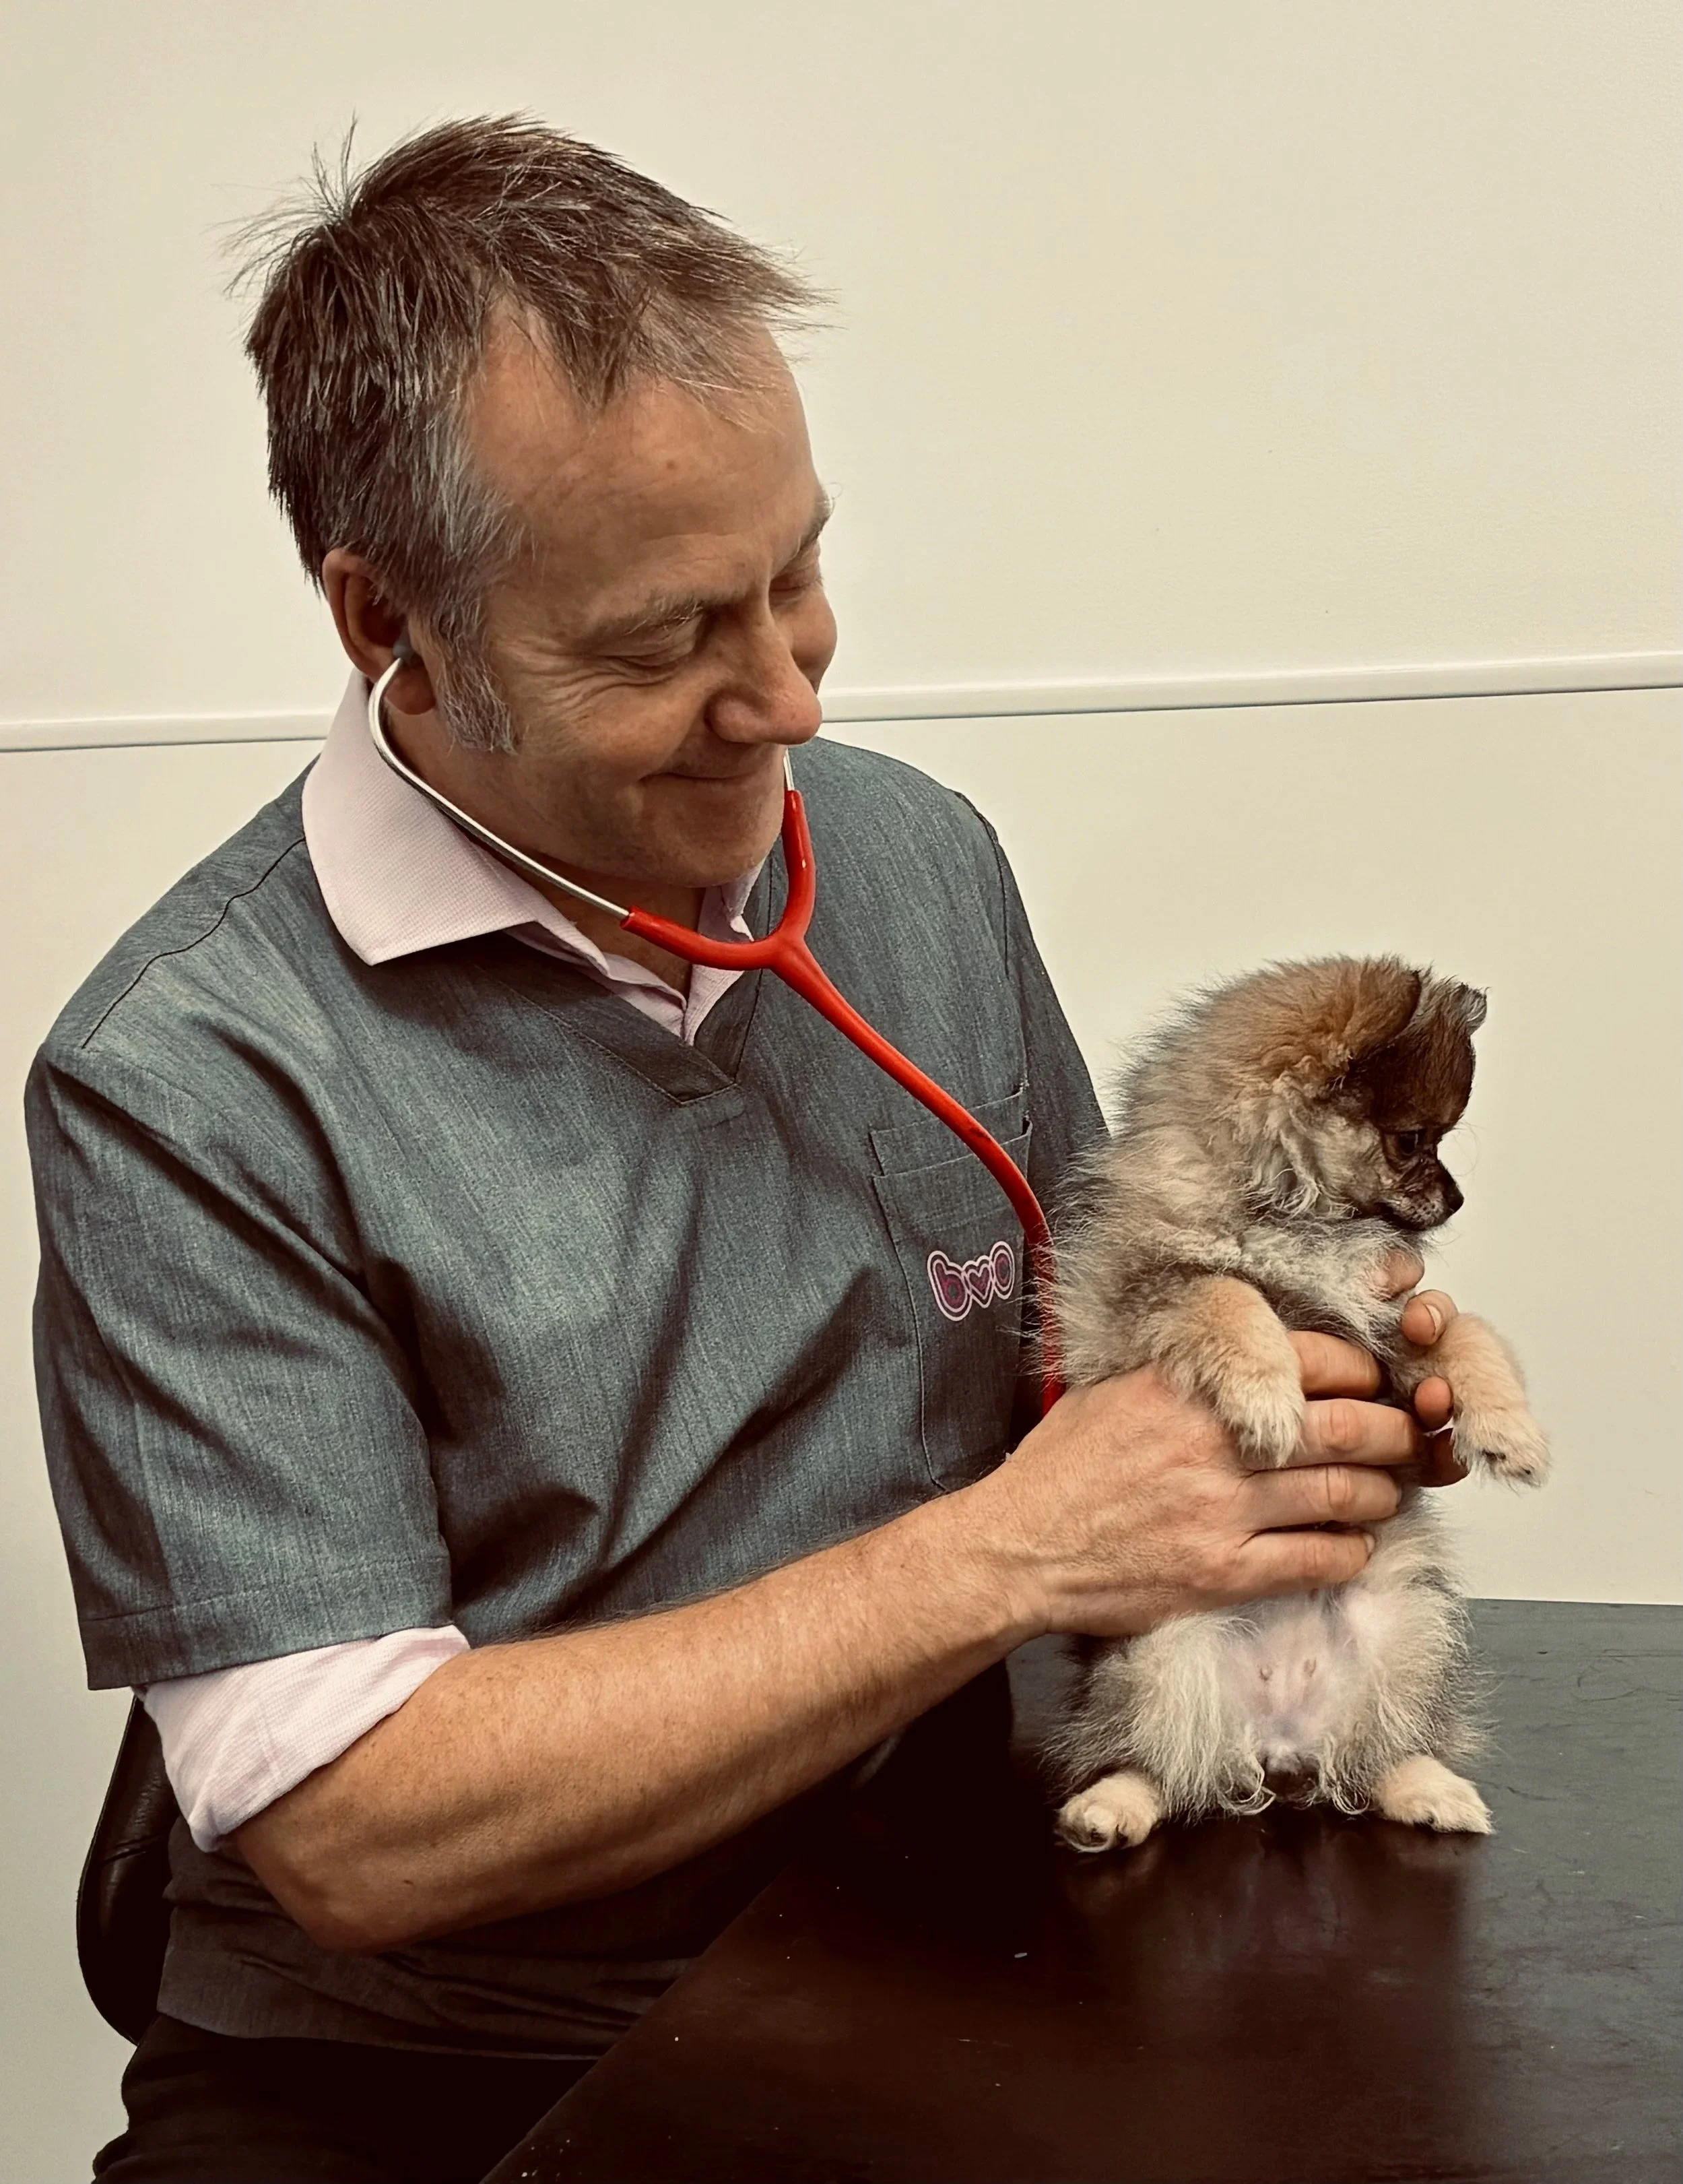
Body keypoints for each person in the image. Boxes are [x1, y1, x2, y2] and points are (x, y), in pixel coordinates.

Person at [28, 117, 1467, 2184]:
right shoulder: (187, 1077)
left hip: (938, 1931)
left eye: (798, 574)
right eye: (664, 638)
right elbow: (352, 1825)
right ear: (389, 625)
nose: (784, 694)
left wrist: (1315, 1397)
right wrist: (1021, 1551)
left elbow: (1102, 1378)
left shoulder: (910, 858)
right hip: (442, 2067)